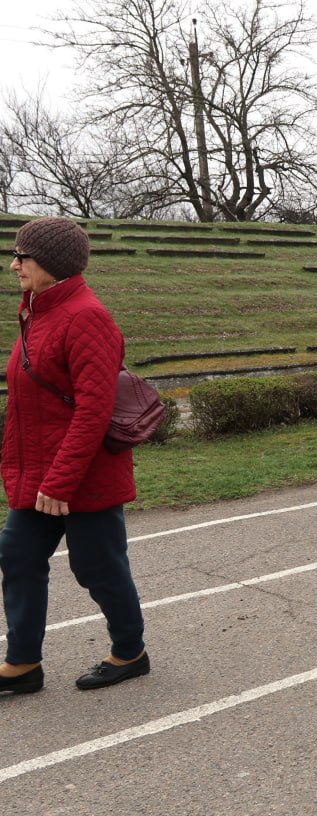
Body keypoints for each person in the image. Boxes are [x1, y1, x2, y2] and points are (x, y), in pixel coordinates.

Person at [1, 217, 149, 695]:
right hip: (37, 474)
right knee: (18, 555)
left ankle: (130, 652)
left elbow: (92, 411)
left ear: (50, 262)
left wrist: (59, 481)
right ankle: (23, 665)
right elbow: (28, 404)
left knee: (97, 566)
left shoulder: (87, 317)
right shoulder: (36, 312)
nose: (14, 264)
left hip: (82, 476)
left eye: (22, 255)